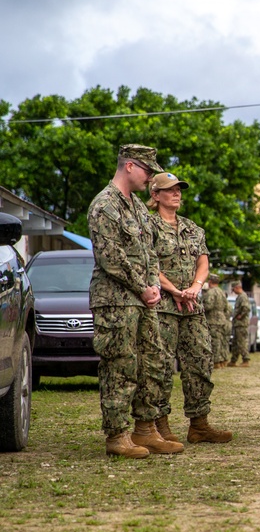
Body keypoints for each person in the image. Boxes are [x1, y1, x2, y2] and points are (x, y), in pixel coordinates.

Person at [88, 144, 180, 458]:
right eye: (147, 170)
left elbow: (150, 251)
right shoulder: (105, 205)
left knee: (152, 363)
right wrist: (143, 287)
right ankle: (117, 435)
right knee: (120, 365)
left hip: (143, 300)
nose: (151, 177)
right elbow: (110, 257)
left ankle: (145, 429)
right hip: (116, 302)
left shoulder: (138, 206)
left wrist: (153, 283)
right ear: (129, 166)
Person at [147, 172, 232, 444]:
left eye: (179, 189)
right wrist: (173, 290)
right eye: (170, 190)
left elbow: (203, 262)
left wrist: (195, 287)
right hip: (162, 306)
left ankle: (199, 424)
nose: (177, 193)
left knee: (200, 360)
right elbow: (149, 265)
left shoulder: (192, 228)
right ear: (156, 195)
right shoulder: (147, 226)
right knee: (159, 366)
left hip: (192, 306)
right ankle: (160, 425)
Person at [203, 274, 232, 370]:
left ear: (210, 282)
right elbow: (227, 307)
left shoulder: (211, 292)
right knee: (221, 341)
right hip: (222, 319)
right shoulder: (222, 292)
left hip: (213, 320)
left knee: (214, 341)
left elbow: (208, 306)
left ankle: (216, 362)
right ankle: (223, 360)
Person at [228, 281, 251, 366]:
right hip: (237, 324)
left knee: (241, 342)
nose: (233, 291)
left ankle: (246, 360)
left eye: (233, 289)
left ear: (237, 287)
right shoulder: (240, 297)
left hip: (241, 324)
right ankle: (233, 360)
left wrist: (240, 316)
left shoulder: (243, 297)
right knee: (235, 343)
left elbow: (246, 308)